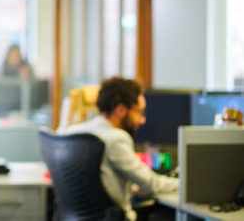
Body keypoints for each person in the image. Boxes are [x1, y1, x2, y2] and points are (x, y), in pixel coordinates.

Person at [58, 76, 179, 221]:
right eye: (139, 112)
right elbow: (151, 185)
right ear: (121, 110)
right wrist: (184, 184)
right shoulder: (117, 138)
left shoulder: (72, 132)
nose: (143, 120)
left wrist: (128, 186)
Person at [0, 44, 36, 119]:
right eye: (12, 55)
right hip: (4, 114)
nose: (15, 58)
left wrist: (25, 78)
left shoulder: (26, 68)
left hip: (23, 112)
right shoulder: (1, 71)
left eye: (17, 56)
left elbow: (34, 89)